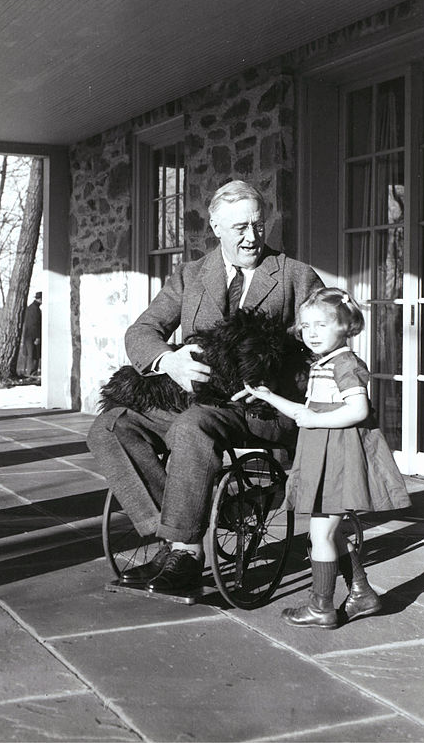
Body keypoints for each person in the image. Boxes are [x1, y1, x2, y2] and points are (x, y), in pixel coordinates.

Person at [87, 181, 323, 593]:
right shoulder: (192, 274)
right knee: (110, 426)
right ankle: (174, 536)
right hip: (196, 399)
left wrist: (279, 385)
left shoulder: (295, 277)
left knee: (191, 427)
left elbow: (323, 350)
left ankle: (187, 552)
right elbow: (142, 330)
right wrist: (169, 361)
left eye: (258, 225)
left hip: (258, 408)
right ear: (215, 226)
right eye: (239, 228)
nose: (252, 237)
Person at [236, 287, 411, 629]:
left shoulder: (346, 364)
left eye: (321, 325)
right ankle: (362, 593)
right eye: (305, 326)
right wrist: (267, 395)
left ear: (345, 326)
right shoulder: (325, 363)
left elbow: (358, 410)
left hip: (338, 459)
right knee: (329, 532)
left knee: (320, 535)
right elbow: (306, 412)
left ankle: (321, 607)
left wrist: (316, 420)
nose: (311, 333)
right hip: (324, 455)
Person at [22, 291, 42, 376]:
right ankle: (31, 374)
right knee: (33, 356)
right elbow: (34, 324)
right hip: (32, 336)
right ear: (40, 299)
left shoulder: (31, 308)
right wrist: (37, 337)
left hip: (28, 336)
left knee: (31, 355)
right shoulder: (35, 309)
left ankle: (30, 373)